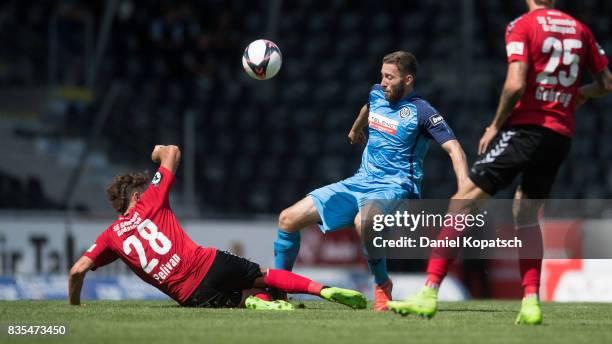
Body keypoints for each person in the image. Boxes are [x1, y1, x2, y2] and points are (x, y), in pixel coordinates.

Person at [388, 0, 611, 325]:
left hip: (525, 130)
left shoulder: (522, 25)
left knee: (461, 201)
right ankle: (531, 302)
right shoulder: (580, 30)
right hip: (560, 135)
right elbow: (606, 84)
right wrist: (579, 96)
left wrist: (496, 125)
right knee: (526, 213)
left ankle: (429, 292)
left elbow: (515, 83)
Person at [273, 51, 469, 311]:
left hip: (395, 187)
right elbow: (369, 107)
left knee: (363, 222)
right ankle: (277, 290)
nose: (384, 82)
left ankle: (381, 285)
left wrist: (466, 188)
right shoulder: (377, 93)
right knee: (287, 219)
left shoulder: (423, 112)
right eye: (382, 76)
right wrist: (356, 128)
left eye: (390, 77)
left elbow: (455, 149)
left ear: (408, 80)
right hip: (359, 181)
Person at [68, 145, 367, 310]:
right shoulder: (151, 201)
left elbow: (77, 270)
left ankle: (256, 305)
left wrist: (75, 305)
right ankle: (323, 291)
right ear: (136, 196)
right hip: (208, 263)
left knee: (241, 299)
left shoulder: (110, 236)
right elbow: (172, 151)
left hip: (190, 295)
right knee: (264, 276)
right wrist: (157, 152)